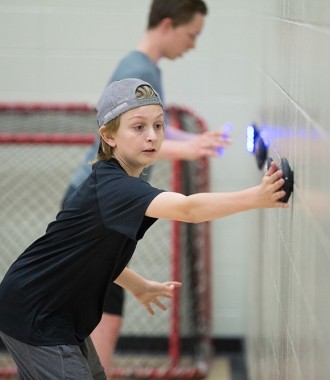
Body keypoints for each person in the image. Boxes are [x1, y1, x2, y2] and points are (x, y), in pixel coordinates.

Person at [0, 78, 288, 380]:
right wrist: (257, 197)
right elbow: (188, 209)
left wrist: (137, 284)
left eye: (159, 126)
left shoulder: (117, 184)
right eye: (139, 127)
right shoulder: (116, 188)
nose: (152, 136)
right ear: (109, 136)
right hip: (35, 315)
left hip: (50, 312)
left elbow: (88, 256)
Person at [61, 1, 231, 377]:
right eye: (191, 35)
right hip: (97, 208)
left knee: (107, 308)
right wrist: (188, 147)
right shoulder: (139, 69)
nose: (192, 45)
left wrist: (194, 139)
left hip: (104, 206)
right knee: (105, 314)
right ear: (167, 25)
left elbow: (149, 129)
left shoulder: (143, 67)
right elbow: (135, 137)